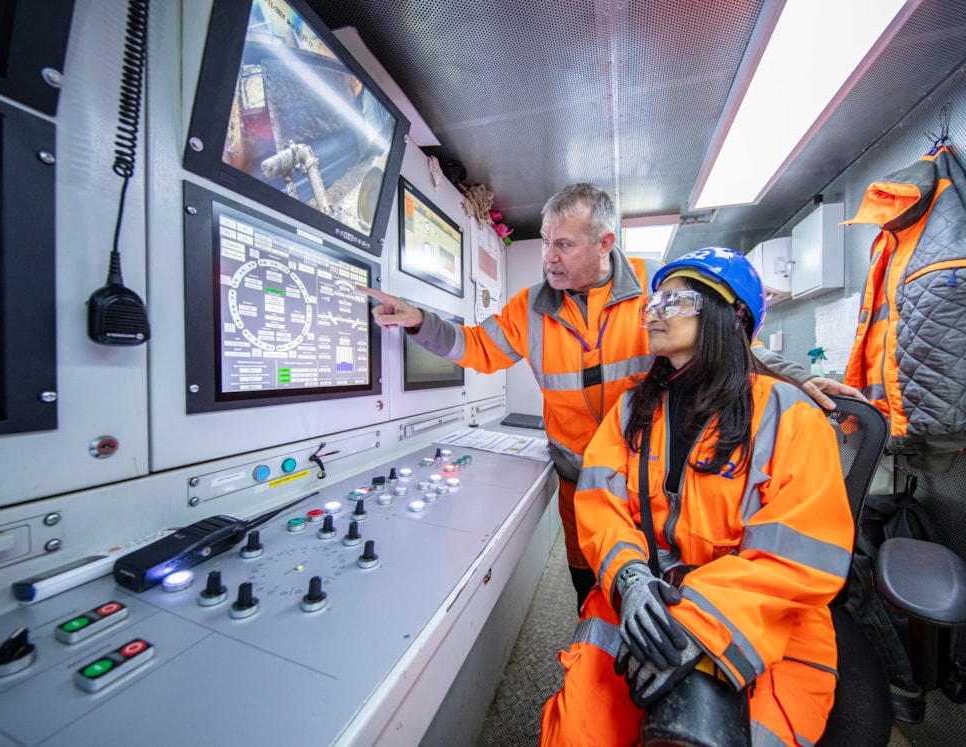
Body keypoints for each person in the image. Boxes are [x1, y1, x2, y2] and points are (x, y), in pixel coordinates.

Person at [359, 183, 860, 612]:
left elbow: (725, 341)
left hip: (653, 471)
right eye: (546, 244)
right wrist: (420, 321)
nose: (548, 258)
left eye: (564, 245)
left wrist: (797, 378)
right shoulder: (529, 307)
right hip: (580, 475)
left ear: (605, 244)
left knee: (670, 567)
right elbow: (474, 347)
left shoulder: (654, 288)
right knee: (592, 576)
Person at [539, 247, 854, 746]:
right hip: (641, 603)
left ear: (731, 315)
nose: (653, 314)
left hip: (757, 620)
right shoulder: (629, 410)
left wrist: (698, 627)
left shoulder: (788, 416)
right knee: (578, 731)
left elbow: (799, 556)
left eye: (674, 301)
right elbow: (600, 504)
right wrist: (629, 578)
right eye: (653, 303)